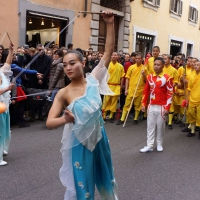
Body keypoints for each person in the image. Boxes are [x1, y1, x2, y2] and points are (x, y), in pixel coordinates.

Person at [46, 11, 118, 200]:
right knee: (84, 190)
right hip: (80, 144)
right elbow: (49, 122)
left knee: (106, 181)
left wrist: (109, 23)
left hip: (100, 139)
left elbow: (108, 52)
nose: (68, 68)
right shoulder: (64, 93)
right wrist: (65, 119)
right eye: (65, 65)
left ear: (83, 63)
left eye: (72, 63)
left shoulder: (94, 80)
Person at [140, 57, 173, 153]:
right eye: (155, 64)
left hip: (162, 106)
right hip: (151, 106)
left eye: (158, 65)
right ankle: (149, 145)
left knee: (160, 126)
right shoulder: (149, 77)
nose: (156, 66)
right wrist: (143, 104)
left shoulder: (167, 78)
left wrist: (167, 107)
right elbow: (146, 91)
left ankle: (159, 143)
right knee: (150, 126)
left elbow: (170, 93)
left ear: (163, 66)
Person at [116, 52, 148, 125]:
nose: (137, 60)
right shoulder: (131, 67)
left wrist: (144, 75)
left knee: (137, 105)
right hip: (131, 89)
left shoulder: (144, 69)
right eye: (136, 58)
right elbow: (127, 78)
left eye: (138, 59)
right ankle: (122, 119)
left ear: (141, 59)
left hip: (140, 90)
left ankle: (135, 118)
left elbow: (147, 81)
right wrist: (126, 89)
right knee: (127, 104)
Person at [0, 43, 15, 166]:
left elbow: (7, 63)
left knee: (5, 130)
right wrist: (7, 88)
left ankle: (2, 149)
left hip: (4, 106)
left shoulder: (1, 71)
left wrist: (11, 50)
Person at [102, 51, 125, 123]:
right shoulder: (107, 65)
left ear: (118, 57)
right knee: (106, 102)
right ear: (111, 56)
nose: (114, 57)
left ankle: (111, 116)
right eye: (113, 55)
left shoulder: (120, 66)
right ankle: (104, 116)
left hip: (116, 86)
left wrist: (121, 86)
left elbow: (122, 77)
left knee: (114, 102)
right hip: (108, 86)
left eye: (115, 55)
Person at [163, 54, 178, 130]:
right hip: (162, 90)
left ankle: (170, 123)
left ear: (169, 60)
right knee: (163, 105)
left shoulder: (174, 70)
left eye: (165, 59)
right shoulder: (161, 69)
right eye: (163, 59)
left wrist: (170, 87)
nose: (164, 60)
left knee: (170, 106)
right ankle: (163, 120)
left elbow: (176, 81)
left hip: (170, 90)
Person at [186, 61, 200, 138]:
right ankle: (192, 131)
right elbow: (189, 89)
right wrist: (187, 99)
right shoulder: (192, 76)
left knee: (199, 117)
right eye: (195, 65)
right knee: (191, 114)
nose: (196, 66)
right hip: (192, 98)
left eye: (198, 65)